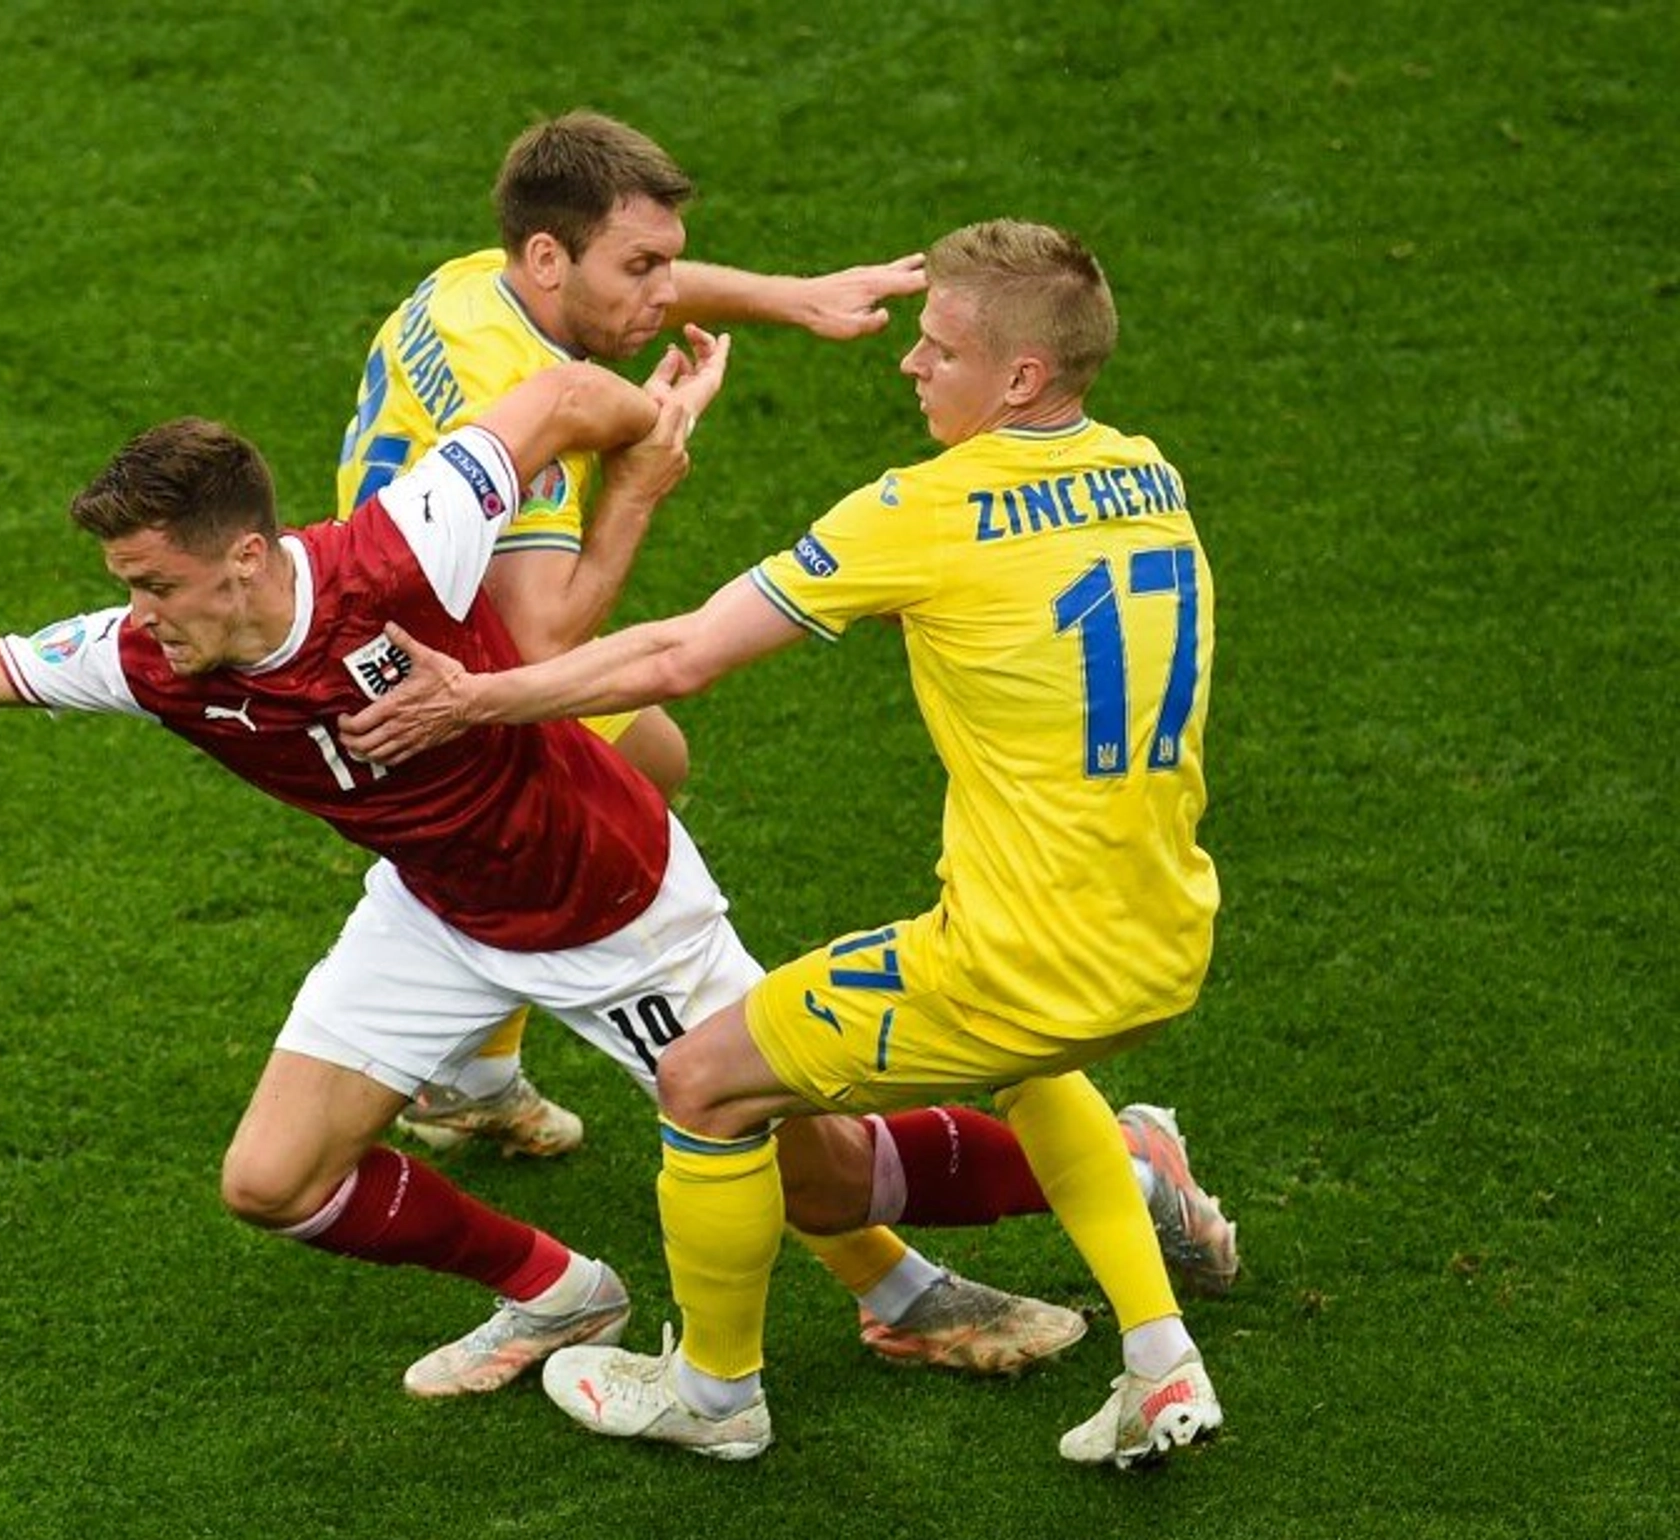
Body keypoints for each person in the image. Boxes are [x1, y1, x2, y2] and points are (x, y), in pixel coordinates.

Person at [0, 338, 1106, 1419]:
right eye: (129, 587)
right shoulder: (154, 659)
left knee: (825, 1176)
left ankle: (1121, 1172)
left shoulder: (397, 551)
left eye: (158, 583)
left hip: (610, 910)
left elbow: (564, 394)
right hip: (435, 911)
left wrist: (647, 436)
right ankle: (556, 1288)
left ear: (249, 558)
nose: (139, 615)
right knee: (270, 1179)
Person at [342, 219, 1232, 1467]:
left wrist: (468, 698)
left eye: (939, 349)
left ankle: (713, 1397)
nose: (911, 367)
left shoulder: (922, 510)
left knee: (704, 1082)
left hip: (1013, 960)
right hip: (1163, 930)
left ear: (1020, 379)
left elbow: (675, 657)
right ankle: (1160, 1360)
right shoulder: (1148, 470)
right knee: (1038, 1066)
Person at [340, 110, 928, 1168]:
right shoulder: (528, 410)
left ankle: (464, 1070)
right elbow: (543, 640)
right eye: (641, 266)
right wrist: (641, 480)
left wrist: (790, 298)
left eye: (671, 263)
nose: (663, 295)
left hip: (393, 615)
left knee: (650, 752)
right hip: (443, 677)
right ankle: (855, 1231)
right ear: (550, 256)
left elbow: (640, 284)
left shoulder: (478, 281)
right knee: (580, 845)